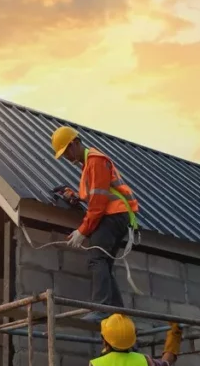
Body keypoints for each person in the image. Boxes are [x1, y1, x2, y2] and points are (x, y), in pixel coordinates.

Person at [51, 125, 140, 321]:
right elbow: (95, 195)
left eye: (66, 152)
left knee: (96, 259)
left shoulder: (95, 161)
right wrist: (76, 197)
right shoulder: (89, 163)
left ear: (74, 144)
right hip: (118, 216)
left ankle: (101, 308)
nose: (66, 157)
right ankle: (119, 316)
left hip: (113, 215)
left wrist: (82, 231)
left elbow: (99, 204)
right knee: (104, 264)